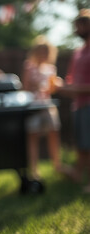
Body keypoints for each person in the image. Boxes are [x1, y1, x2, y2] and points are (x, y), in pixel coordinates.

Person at [21, 36, 64, 179]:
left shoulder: (51, 68)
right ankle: (34, 169)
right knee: (33, 136)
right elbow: (25, 88)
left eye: (45, 51)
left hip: (48, 105)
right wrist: (36, 85)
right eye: (40, 51)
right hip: (33, 106)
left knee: (54, 133)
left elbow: (51, 89)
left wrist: (56, 85)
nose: (43, 54)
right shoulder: (29, 66)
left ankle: (57, 165)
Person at [58, 9, 90, 193]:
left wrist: (70, 89)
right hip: (77, 104)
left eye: (79, 26)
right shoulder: (78, 52)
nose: (76, 30)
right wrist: (62, 86)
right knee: (82, 144)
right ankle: (78, 173)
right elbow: (72, 79)